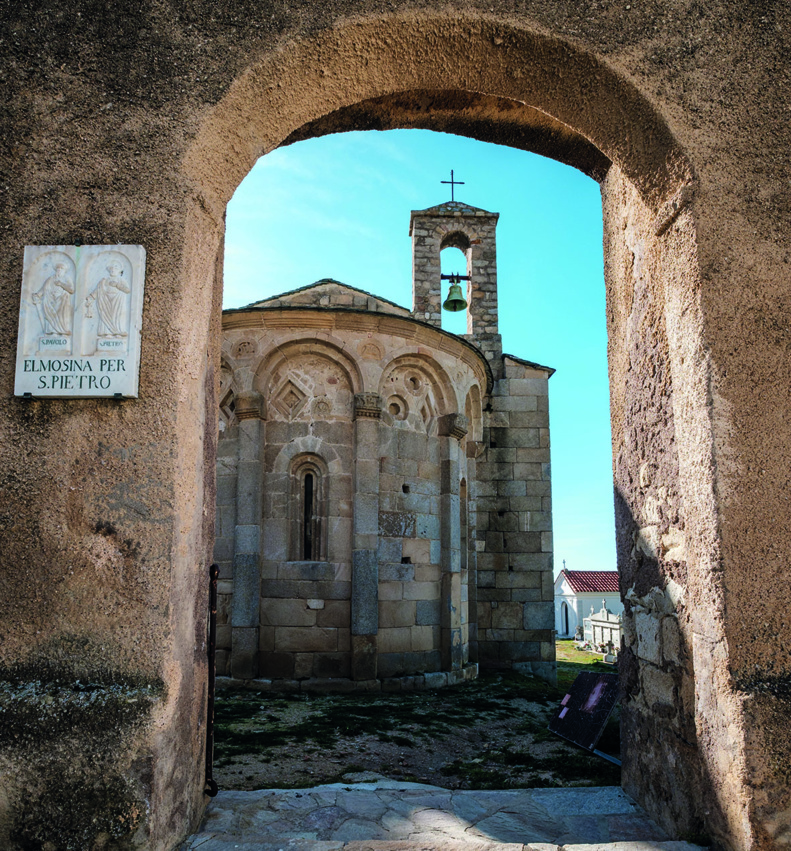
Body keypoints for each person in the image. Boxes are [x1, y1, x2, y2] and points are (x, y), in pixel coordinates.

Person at [85, 261, 131, 337]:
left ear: (119, 270)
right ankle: (107, 333)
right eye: (111, 269)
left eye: (115, 268)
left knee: (117, 316)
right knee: (105, 316)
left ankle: (118, 332)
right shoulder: (104, 280)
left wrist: (117, 285)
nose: (113, 270)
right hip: (105, 300)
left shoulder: (121, 280)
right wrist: (91, 297)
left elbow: (127, 290)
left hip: (117, 300)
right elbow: (98, 289)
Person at [32, 261, 74, 335]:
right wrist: (38, 295)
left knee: (60, 315)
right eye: (58, 268)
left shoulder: (66, 278)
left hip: (62, 300)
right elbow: (44, 288)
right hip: (50, 299)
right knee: (50, 315)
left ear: (64, 270)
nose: (59, 270)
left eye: (61, 268)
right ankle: (52, 332)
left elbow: (71, 290)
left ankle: (62, 331)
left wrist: (61, 284)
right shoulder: (51, 278)